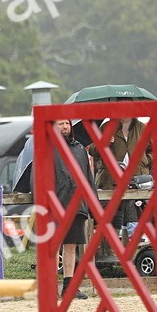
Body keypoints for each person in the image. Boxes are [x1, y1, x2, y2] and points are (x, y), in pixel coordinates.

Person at [53, 119, 96, 299]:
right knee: (53, 248)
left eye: (67, 124)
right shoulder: (47, 147)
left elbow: (88, 178)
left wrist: (93, 205)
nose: (65, 127)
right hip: (54, 204)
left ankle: (69, 287)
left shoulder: (80, 149)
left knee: (71, 246)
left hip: (77, 204)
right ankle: (50, 287)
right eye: (60, 123)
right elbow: (37, 178)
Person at [90, 117, 152, 241]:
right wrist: (104, 142)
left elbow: (153, 149)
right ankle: (114, 237)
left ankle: (134, 235)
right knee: (114, 208)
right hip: (110, 179)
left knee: (134, 204)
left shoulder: (143, 128)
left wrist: (146, 160)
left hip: (136, 178)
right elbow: (93, 150)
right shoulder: (106, 127)